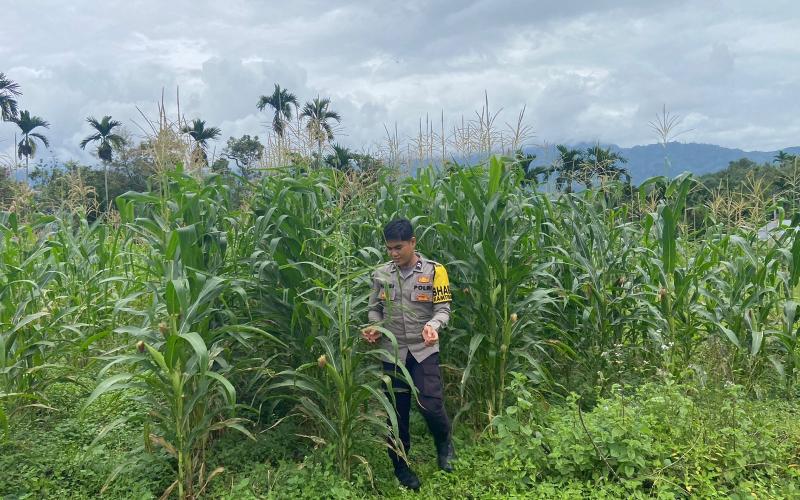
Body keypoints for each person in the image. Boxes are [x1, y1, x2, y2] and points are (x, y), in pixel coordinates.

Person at [362, 218, 455, 491]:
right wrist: (375, 327)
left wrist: (433, 325)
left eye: (398, 247)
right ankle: (401, 465)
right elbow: (374, 309)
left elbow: (443, 310)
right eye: (389, 248)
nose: (393, 253)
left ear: (413, 242)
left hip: (423, 349)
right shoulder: (381, 274)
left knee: (430, 404)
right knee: (396, 413)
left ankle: (444, 445)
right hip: (392, 352)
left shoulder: (435, 271)